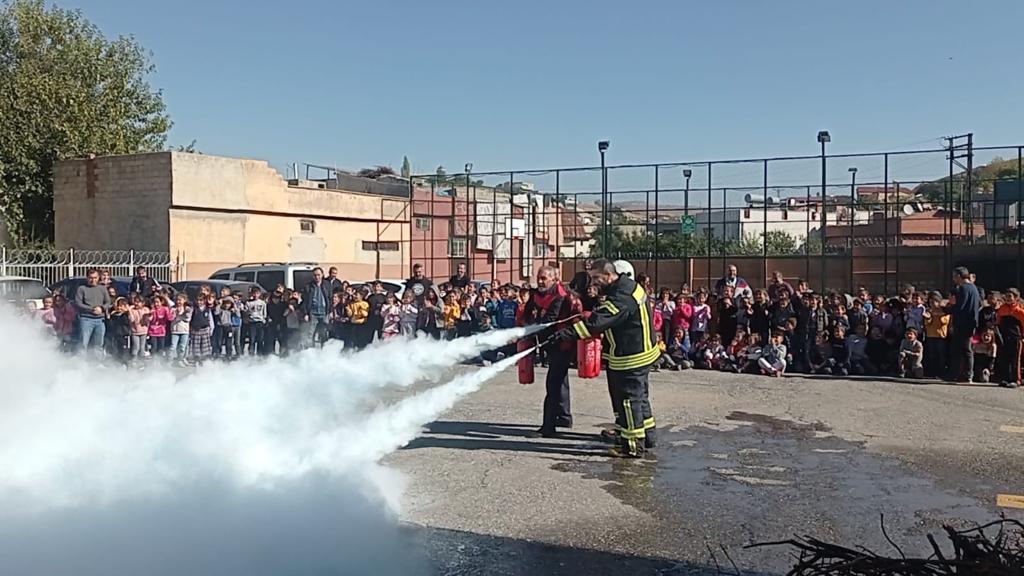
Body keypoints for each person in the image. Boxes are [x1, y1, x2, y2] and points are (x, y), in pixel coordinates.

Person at [560, 259, 660, 458]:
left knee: (629, 401)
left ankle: (632, 447)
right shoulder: (629, 287)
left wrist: (567, 333)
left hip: (631, 356)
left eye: (596, 278)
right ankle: (648, 436)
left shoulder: (622, 296)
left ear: (608, 275)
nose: (593, 283)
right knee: (640, 398)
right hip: (641, 352)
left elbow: (598, 322)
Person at [520, 266, 577, 438]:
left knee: (552, 383)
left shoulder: (559, 296)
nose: (540, 281)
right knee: (561, 380)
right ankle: (564, 417)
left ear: (554, 279)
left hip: (562, 343)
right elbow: (528, 312)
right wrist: (525, 327)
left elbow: (550, 320)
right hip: (549, 343)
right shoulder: (537, 294)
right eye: (539, 277)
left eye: (544, 278)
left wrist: (532, 330)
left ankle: (548, 426)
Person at [944, 266, 981, 382]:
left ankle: (965, 374)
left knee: (963, 350)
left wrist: (945, 310)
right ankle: (960, 373)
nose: (953, 279)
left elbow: (960, 306)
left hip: (963, 323)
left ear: (959, 276)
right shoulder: (974, 288)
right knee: (962, 349)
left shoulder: (963, 288)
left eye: (954, 276)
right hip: (970, 322)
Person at [74, 268, 112, 356]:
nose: (93, 280)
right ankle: (80, 363)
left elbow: (108, 302)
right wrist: (92, 309)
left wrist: (102, 308)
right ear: (87, 278)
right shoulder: (81, 289)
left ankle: (97, 363)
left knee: (99, 344)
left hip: (100, 320)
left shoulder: (102, 289)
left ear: (98, 278)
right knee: (83, 343)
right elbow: (78, 303)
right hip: (86, 319)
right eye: (90, 278)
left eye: (95, 277)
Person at [995, 288, 1024, 388]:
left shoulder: (1020, 311)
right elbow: (998, 322)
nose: (1007, 298)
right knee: (1004, 358)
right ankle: (1005, 378)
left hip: (1016, 337)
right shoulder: (1002, 309)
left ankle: (1016, 380)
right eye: (1006, 296)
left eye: (1010, 296)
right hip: (1004, 336)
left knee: (1015, 359)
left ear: (1016, 298)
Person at [301, 267, 332, 348]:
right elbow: (305, 301)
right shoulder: (308, 286)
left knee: (324, 333)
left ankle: (324, 351)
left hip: (324, 312)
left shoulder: (327, 285)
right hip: (313, 312)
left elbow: (330, 298)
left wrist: (330, 311)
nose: (317, 277)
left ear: (322, 275)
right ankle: (310, 352)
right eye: (315, 275)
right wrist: (306, 313)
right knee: (310, 333)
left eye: (319, 275)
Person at [170, 293, 192, 366]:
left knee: (182, 347)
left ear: (184, 300)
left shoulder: (187, 309)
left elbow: (188, 319)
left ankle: (180, 359)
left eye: (180, 300)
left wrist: (182, 315)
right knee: (173, 346)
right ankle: (170, 360)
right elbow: (172, 318)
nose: (178, 302)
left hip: (184, 331)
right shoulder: (173, 309)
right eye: (177, 300)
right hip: (175, 331)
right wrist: (177, 314)